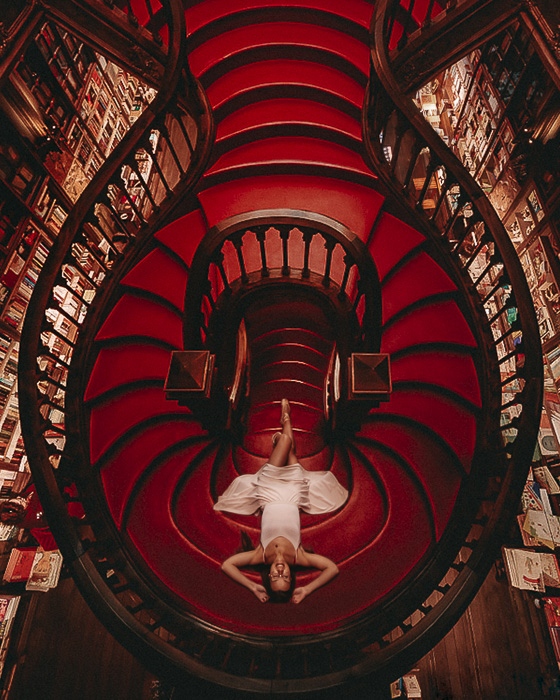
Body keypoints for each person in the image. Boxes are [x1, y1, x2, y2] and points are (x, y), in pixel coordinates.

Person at [214, 399, 348, 604]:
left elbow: (227, 566)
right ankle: (286, 420)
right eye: (285, 577)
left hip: (268, 492)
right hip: (293, 494)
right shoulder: (299, 558)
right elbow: (332, 568)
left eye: (276, 578)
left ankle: (285, 420)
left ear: (268, 577)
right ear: (291, 575)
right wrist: (307, 590)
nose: (280, 572)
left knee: (285, 443)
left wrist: (253, 587)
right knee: (291, 451)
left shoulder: (259, 556)